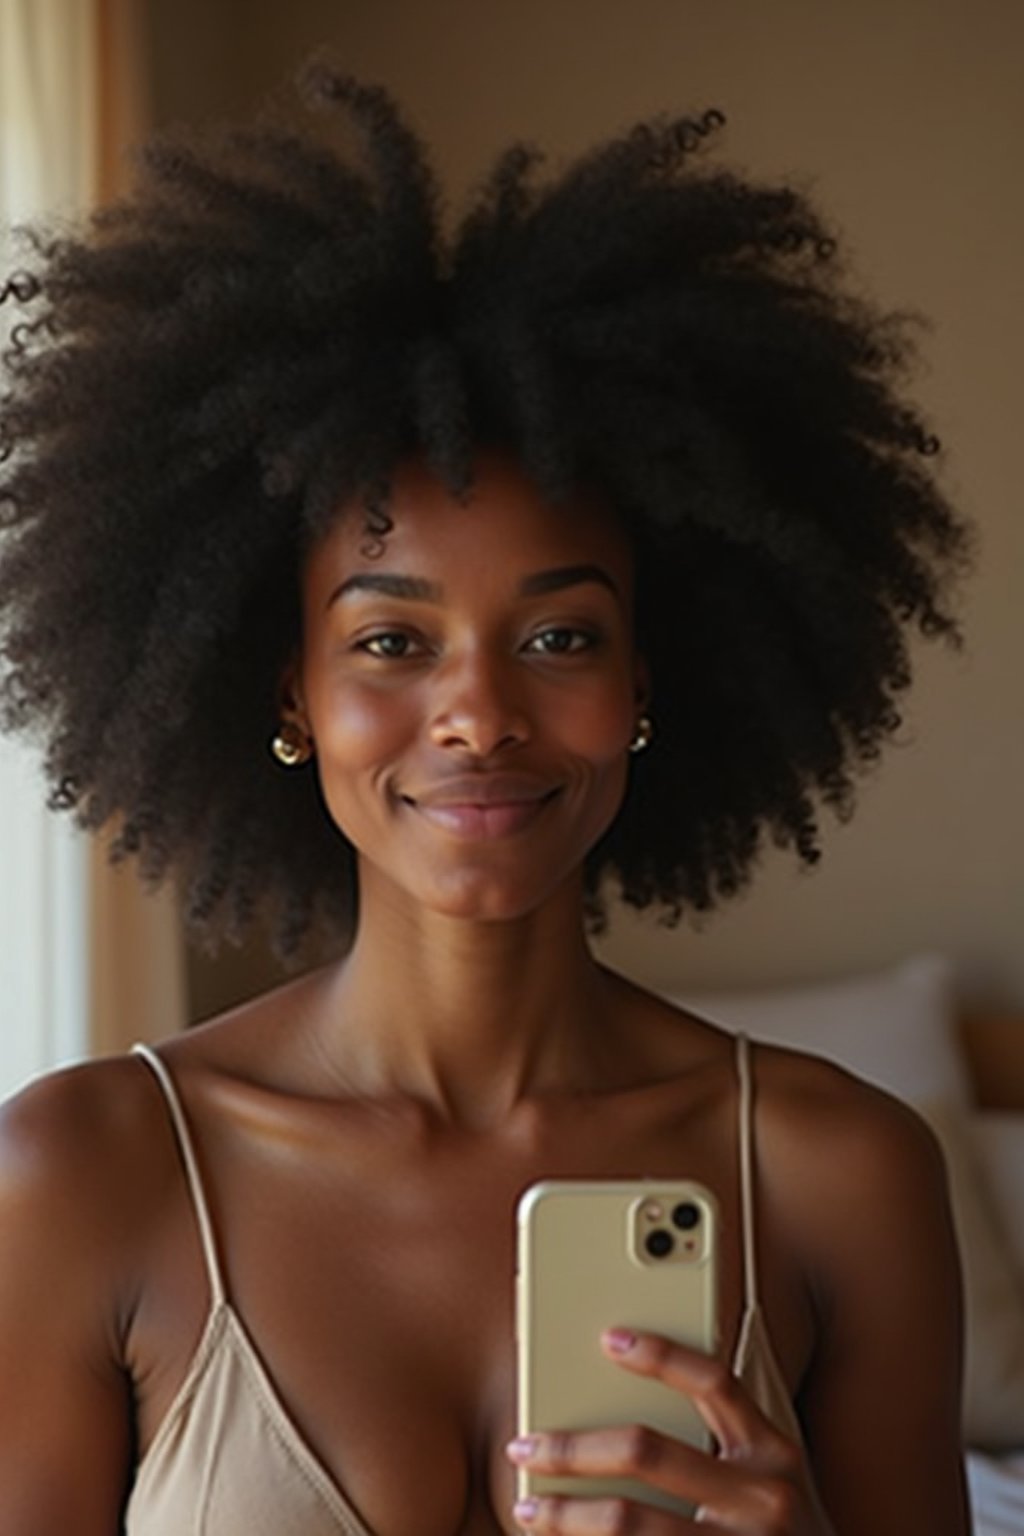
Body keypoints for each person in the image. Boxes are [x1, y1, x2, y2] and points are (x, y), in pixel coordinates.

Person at [0, 64, 971, 1535]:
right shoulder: (81, 1176)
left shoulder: (843, 1179)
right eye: (391, 641)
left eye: (561, 636)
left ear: (649, 679)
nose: (477, 713)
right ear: (286, 694)